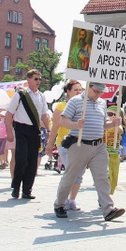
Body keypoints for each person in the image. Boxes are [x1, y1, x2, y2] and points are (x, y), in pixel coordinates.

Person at [53, 82, 125, 221]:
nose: (98, 94)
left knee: (102, 177)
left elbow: (103, 125)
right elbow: (63, 121)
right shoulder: (75, 101)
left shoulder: (102, 103)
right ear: (88, 88)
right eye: (95, 91)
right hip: (80, 144)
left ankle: (108, 208)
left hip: (98, 145)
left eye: (100, 92)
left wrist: (113, 124)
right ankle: (60, 204)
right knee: (70, 176)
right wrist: (75, 124)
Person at [5, 69, 50, 200]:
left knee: (32, 161)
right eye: (35, 79)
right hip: (21, 129)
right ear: (28, 80)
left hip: (34, 130)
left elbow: (44, 115)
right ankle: (16, 187)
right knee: (21, 159)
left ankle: (27, 190)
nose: (38, 81)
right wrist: (9, 131)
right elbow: (9, 114)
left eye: (40, 79)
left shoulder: (41, 97)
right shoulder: (20, 95)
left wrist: (49, 129)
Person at [46, 79, 85, 210]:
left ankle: (72, 200)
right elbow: (56, 126)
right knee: (70, 172)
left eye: (80, 90)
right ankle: (61, 199)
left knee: (79, 173)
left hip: (81, 144)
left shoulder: (84, 106)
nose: (79, 92)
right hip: (65, 144)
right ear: (68, 92)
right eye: (76, 90)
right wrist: (50, 144)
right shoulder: (61, 107)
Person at [105, 106, 123, 193]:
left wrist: (115, 123)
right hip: (106, 154)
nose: (110, 116)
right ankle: (104, 197)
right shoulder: (105, 124)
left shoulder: (118, 126)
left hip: (115, 155)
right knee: (108, 177)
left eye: (113, 114)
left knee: (114, 179)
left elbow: (120, 130)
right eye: (109, 114)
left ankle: (108, 193)